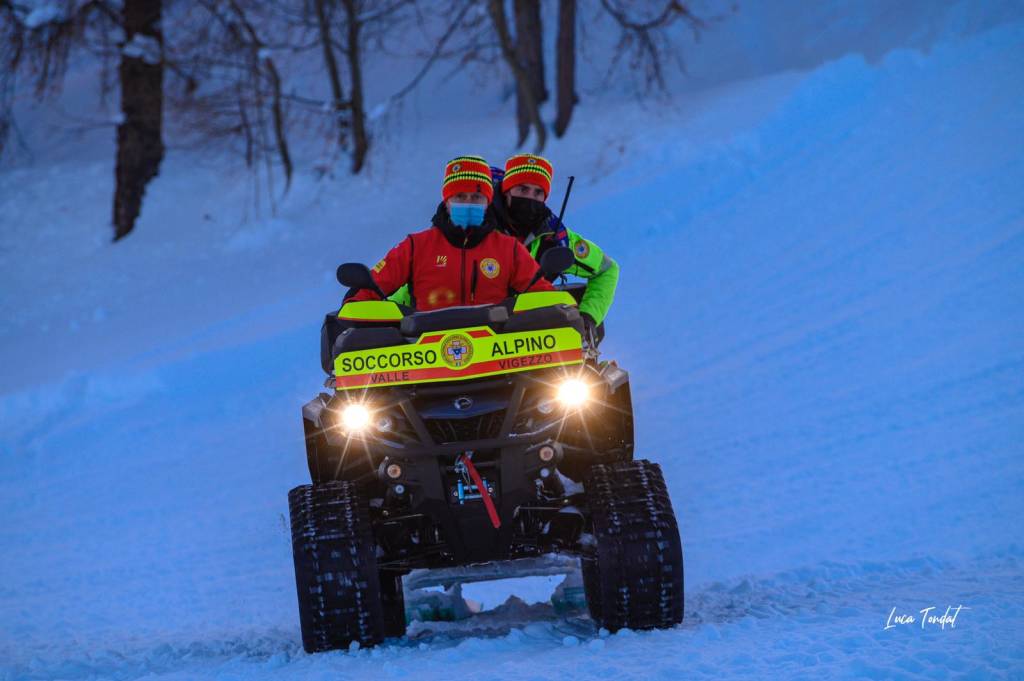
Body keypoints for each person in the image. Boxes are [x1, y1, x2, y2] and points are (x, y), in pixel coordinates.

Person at [350, 155, 553, 310]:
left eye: (476, 198)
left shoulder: (509, 249)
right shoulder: (416, 247)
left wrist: (562, 311)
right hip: (425, 356)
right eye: (460, 197)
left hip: (499, 354)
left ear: (488, 202)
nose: (468, 203)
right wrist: (354, 312)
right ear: (446, 201)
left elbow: (542, 295)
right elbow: (372, 289)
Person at [492, 154, 619, 343]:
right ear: (506, 191)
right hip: (483, 339)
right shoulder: (480, 227)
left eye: (538, 193)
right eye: (522, 189)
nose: (530, 198)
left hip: (538, 342)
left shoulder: (555, 235)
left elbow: (607, 270)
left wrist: (588, 318)